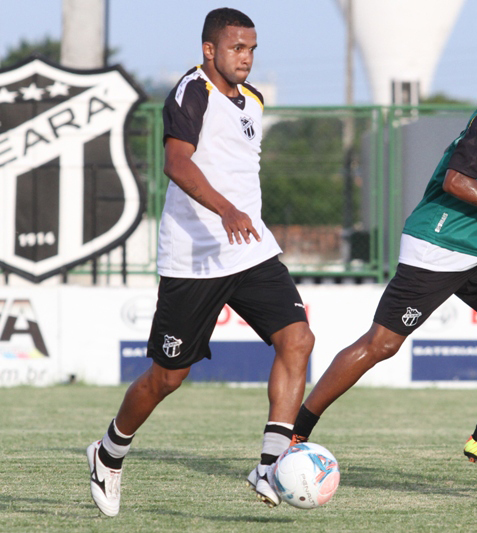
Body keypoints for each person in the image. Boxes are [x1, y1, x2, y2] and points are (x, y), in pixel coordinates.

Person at [86, 8, 314, 516]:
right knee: (168, 376)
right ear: (209, 49)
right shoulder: (192, 91)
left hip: (251, 249)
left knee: (298, 338)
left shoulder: (252, 100)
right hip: (194, 259)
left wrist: (241, 215)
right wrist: (226, 209)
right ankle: (109, 451)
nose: (247, 58)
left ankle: (270, 464)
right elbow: (176, 162)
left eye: (252, 49)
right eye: (237, 48)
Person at [288, 54, 477, 478]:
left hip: (475, 251)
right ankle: (294, 431)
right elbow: (456, 180)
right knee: (381, 345)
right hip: (438, 245)